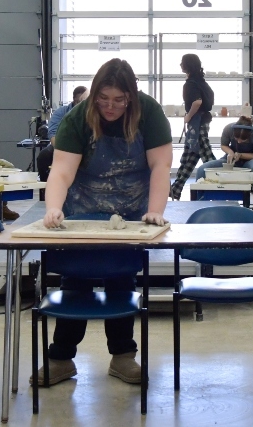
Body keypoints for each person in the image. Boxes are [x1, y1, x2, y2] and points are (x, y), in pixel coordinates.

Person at [33, 58, 172, 387]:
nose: (110, 107)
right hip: (82, 210)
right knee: (75, 283)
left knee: (121, 282)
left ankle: (123, 357)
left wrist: (154, 212)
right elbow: (62, 171)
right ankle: (61, 359)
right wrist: (53, 208)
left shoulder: (149, 113)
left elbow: (161, 167)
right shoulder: (78, 118)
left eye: (118, 100)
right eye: (103, 99)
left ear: (131, 98)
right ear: (94, 95)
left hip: (130, 214)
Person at [169, 54, 215, 201]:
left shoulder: (190, 83)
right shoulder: (202, 82)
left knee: (207, 158)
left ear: (187, 65)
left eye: (182, 63)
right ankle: (175, 190)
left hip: (197, 123)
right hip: (202, 121)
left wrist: (188, 116)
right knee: (189, 158)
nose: (180, 65)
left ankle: (221, 183)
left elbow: (197, 102)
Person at [36, 86, 89, 182]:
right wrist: (64, 153)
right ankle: (45, 187)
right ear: (75, 101)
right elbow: (52, 134)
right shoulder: (61, 113)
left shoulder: (91, 113)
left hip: (85, 147)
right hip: (62, 145)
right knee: (44, 156)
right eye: (81, 102)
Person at [195, 116, 253, 180]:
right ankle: (199, 190)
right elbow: (223, 145)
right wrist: (230, 152)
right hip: (230, 159)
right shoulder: (229, 129)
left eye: (243, 140)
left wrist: (241, 155)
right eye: (236, 138)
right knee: (202, 170)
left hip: (249, 161)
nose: (239, 142)